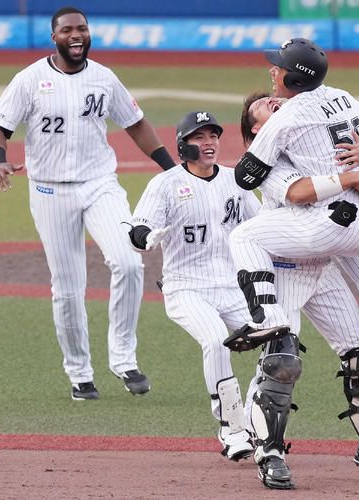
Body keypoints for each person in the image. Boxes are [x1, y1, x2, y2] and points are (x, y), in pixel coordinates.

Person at [222, 41, 359, 488]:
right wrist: (350, 177)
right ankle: (268, 452)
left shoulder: (315, 140)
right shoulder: (275, 164)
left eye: (274, 96)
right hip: (286, 265)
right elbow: (298, 192)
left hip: (322, 263)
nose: (272, 100)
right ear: (256, 132)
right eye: (262, 110)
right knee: (282, 362)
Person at [0, 6, 176, 401]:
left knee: (128, 261)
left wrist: (171, 170)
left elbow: (136, 123)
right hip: (49, 191)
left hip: (100, 183)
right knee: (68, 289)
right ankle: (80, 374)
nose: (76, 35)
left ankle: (123, 359)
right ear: (54, 37)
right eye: (68, 30)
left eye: (82, 29)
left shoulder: (103, 78)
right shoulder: (30, 79)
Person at [128, 110, 259, 461]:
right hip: (186, 288)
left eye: (213, 136)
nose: (209, 143)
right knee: (216, 340)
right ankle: (231, 428)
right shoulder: (165, 184)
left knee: (280, 343)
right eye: (199, 137)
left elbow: (261, 224)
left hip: (233, 287)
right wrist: (146, 236)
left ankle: (254, 418)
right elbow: (137, 227)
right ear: (183, 146)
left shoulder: (235, 181)